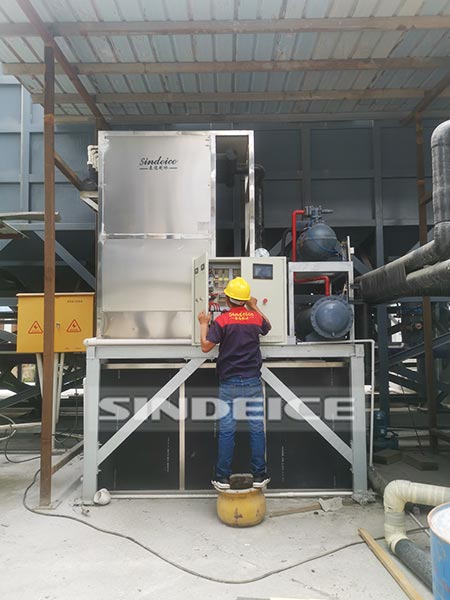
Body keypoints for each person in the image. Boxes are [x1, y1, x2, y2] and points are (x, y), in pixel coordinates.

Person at [197, 276, 272, 490]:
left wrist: (203, 324)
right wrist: (254, 306)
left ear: (227, 299)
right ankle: (259, 475)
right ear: (246, 299)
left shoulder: (223, 320)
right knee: (256, 429)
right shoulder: (254, 318)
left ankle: (222, 477)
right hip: (252, 381)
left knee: (227, 430)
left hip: (229, 382)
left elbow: (205, 346)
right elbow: (268, 326)